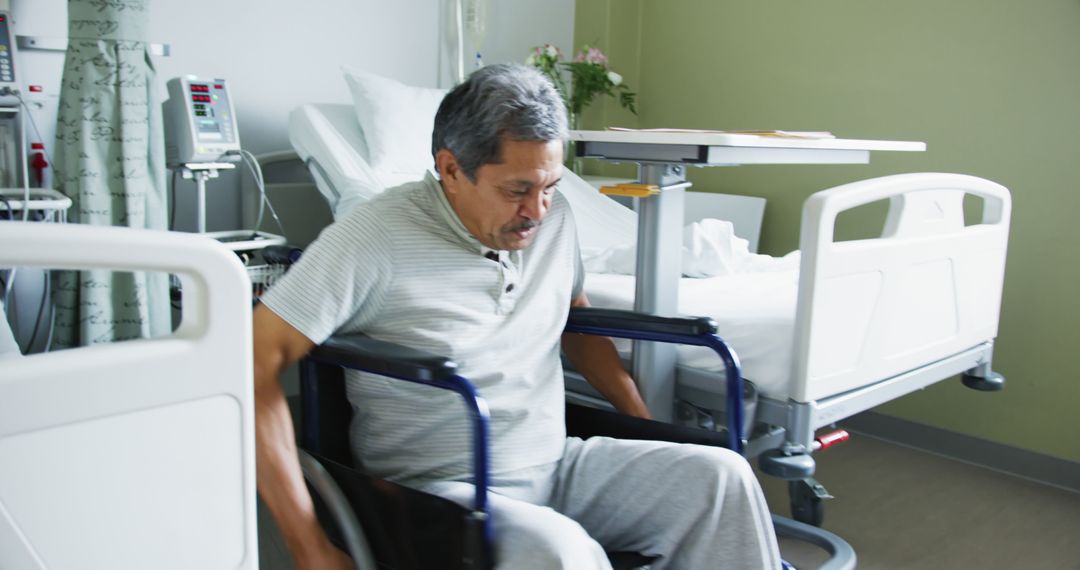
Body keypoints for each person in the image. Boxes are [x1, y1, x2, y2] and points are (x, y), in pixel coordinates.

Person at [253, 63, 782, 569]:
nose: (537, 211)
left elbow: (574, 316)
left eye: (549, 187)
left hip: (558, 463)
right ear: (451, 169)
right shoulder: (371, 237)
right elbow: (248, 367)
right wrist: (309, 546)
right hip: (441, 491)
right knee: (563, 554)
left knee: (721, 478)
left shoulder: (555, 223)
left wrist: (640, 422)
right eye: (517, 191)